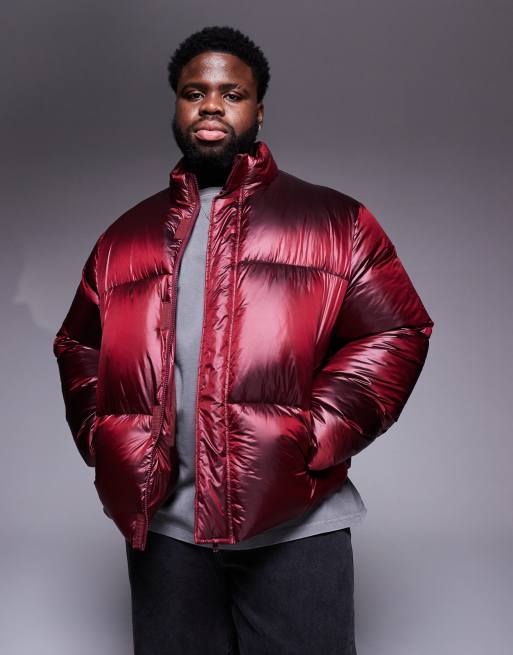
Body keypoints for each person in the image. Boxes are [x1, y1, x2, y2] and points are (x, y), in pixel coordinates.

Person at [53, 25, 434, 655]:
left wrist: (316, 433)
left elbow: (397, 329)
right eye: (193, 92)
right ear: (177, 106)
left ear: (259, 110)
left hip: (296, 526)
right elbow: (79, 345)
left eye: (231, 93)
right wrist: (106, 437)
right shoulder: (125, 237)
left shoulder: (336, 221)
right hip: (165, 532)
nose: (211, 105)